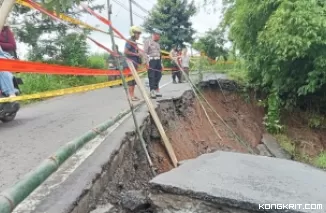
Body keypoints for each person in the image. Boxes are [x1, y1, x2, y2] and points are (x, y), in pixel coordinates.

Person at [144, 30, 163, 99]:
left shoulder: (157, 44)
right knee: (151, 76)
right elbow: (145, 52)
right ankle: (152, 91)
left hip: (158, 60)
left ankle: (155, 89)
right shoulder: (148, 42)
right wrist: (146, 62)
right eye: (158, 35)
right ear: (155, 35)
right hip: (151, 60)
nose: (159, 37)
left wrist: (161, 63)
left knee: (159, 75)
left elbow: (159, 54)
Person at [124, 26, 142, 101]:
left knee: (134, 80)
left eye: (139, 33)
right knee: (131, 80)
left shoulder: (135, 42)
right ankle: (131, 96)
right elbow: (126, 52)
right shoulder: (129, 41)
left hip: (135, 63)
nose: (139, 35)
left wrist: (139, 53)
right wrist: (136, 54)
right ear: (133, 33)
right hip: (130, 63)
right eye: (137, 33)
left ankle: (133, 95)